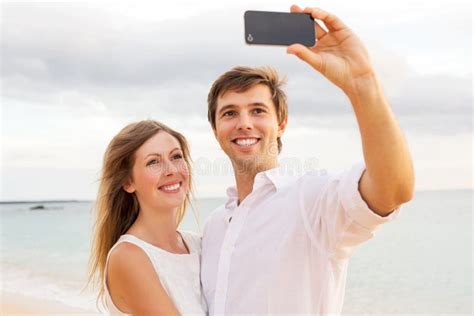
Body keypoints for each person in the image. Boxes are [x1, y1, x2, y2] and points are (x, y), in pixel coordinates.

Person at [201, 5, 415, 315]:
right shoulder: (214, 226)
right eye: (230, 113)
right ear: (216, 129)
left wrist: (363, 84)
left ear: (282, 123)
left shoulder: (311, 200)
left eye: (258, 110)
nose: (244, 123)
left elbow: (393, 189)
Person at [88, 120, 207, 315]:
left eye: (176, 157)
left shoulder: (198, 245)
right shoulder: (128, 257)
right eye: (153, 162)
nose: (171, 170)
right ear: (128, 181)